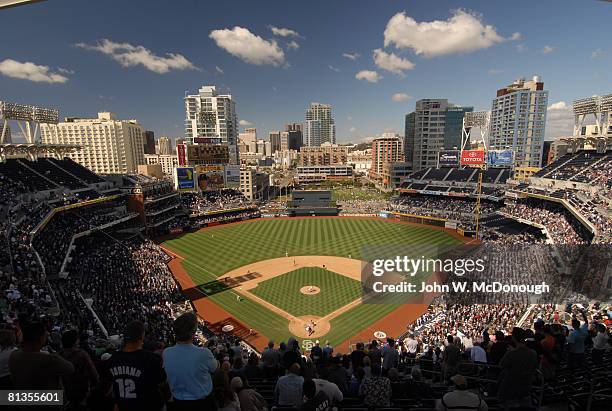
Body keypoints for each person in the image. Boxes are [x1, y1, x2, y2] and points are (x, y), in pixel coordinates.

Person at [105, 320, 169, 411]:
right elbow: (163, 383)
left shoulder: (112, 360)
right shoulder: (151, 359)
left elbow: (110, 387)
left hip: (124, 406)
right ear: (142, 337)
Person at [163, 312, 218, 410]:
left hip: (178, 404)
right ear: (193, 332)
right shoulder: (204, 353)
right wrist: (206, 351)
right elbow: (215, 368)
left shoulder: (166, 353)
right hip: (203, 404)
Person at [9, 320, 74, 390]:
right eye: (45, 335)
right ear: (41, 338)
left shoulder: (14, 355)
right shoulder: (48, 359)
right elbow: (70, 368)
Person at [498, 327, 538, 409]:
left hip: (511, 388)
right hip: (526, 388)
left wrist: (510, 351)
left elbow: (502, 365)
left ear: (514, 338)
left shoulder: (512, 353)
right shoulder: (533, 353)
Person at [59, 329, 99, 407]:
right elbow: (94, 375)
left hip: (64, 395)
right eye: (77, 340)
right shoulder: (81, 355)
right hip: (81, 394)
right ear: (74, 342)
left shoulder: (58, 356)